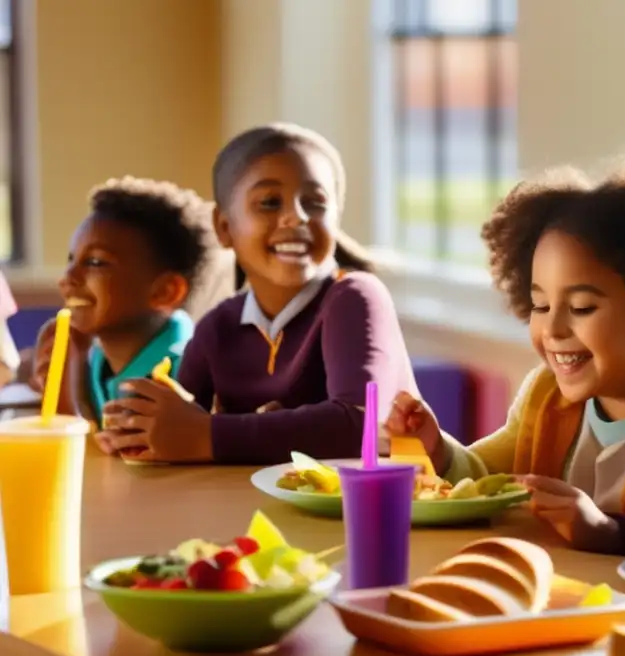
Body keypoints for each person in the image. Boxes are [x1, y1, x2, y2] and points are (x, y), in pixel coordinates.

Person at [387, 155, 625, 554]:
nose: (552, 330)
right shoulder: (546, 394)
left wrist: (614, 534)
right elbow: (488, 481)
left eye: (583, 308)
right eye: (540, 306)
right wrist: (438, 449)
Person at [100, 123, 418, 464]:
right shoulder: (217, 328)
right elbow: (183, 423)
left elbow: (360, 426)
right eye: (269, 202)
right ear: (224, 227)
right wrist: (139, 432)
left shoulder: (353, 297)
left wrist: (207, 435)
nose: (296, 217)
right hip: (262, 511)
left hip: (378, 512)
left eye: (314, 202)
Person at [35, 177, 212, 425]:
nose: (67, 278)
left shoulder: (192, 373)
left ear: (164, 292)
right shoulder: (94, 358)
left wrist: (69, 390)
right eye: (71, 260)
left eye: (96, 262)